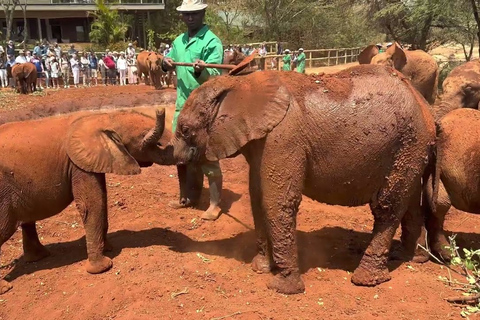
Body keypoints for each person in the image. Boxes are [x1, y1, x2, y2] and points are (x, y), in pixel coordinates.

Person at [162, 0, 224, 220]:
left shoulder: (211, 41)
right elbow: (168, 60)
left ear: (202, 14)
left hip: (203, 109)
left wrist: (202, 70)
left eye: (194, 14)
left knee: (206, 155)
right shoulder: (179, 41)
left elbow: (216, 75)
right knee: (180, 154)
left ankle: (215, 204)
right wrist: (165, 62)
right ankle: (187, 197)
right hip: (182, 107)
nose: (190, 18)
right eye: (186, 14)